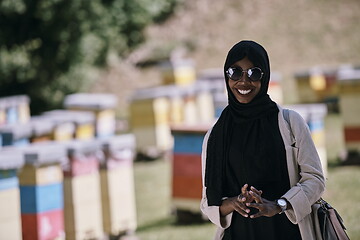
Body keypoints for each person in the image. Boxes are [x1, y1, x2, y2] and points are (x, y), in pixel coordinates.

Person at [200, 40, 325, 240]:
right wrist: (235, 202)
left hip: (288, 232)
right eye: (235, 72)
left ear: (264, 76)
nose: (243, 81)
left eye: (253, 73)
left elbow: (315, 180)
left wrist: (278, 205)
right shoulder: (215, 136)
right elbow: (209, 202)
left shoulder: (289, 123)